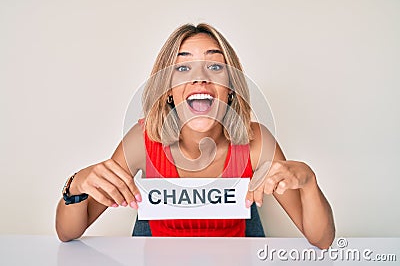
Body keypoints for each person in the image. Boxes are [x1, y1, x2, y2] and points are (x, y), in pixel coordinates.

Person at [55, 23, 335, 249]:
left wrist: (309, 181)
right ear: (167, 90)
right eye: (182, 68)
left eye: (215, 66)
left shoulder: (256, 141)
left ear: (231, 88)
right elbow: (67, 233)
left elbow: (321, 239)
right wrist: (76, 184)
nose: (200, 77)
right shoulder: (142, 139)